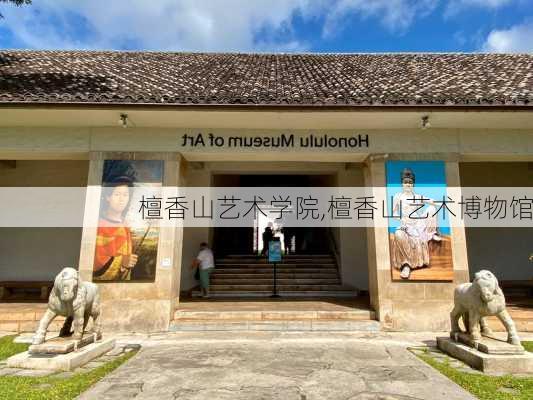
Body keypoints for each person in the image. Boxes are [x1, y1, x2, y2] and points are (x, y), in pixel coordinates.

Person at [391, 168, 441, 279]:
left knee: (432, 209)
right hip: (405, 224)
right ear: (402, 184)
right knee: (399, 234)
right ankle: (406, 265)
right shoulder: (398, 197)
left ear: (413, 184)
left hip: (418, 224)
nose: (408, 184)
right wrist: (401, 220)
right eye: (405, 182)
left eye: (410, 182)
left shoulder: (417, 196)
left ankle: (432, 232)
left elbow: (430, 201)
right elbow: (393, 213)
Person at [93, 177, 138, 281]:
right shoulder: (99, 224)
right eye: (117, 194)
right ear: (108, 197)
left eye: (125, 195)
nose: (122, 199)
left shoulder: (125, 224)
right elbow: (96, 262)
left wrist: (127, 263)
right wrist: (122, 261)